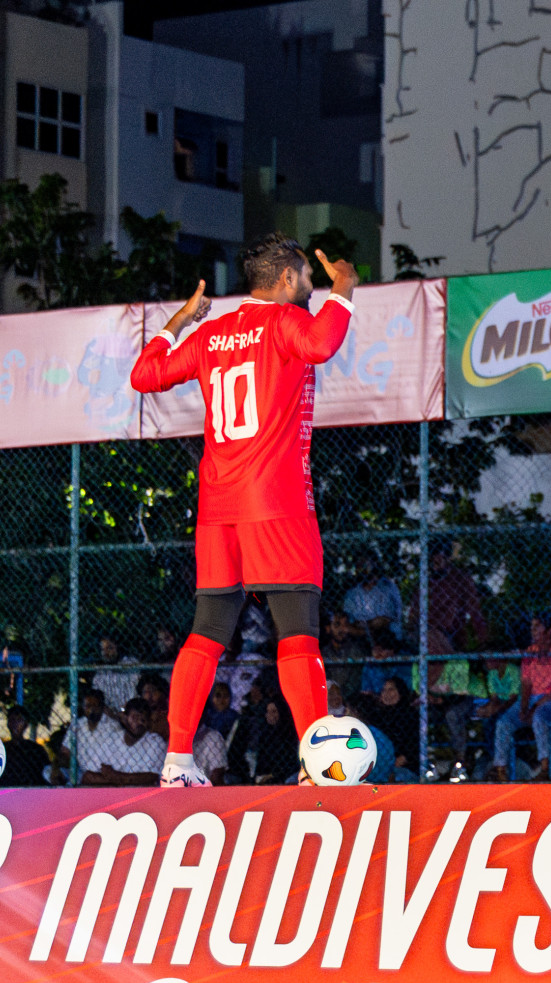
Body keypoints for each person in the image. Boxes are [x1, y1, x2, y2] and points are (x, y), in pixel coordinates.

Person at [129, 233, 358, 786]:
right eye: (306, 278)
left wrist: (180, 319)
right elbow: (324, 341)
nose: (310, 287)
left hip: (218, 507)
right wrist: (345, 288)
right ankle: (318, 767)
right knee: (298, 633)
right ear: (284, 280)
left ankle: (177, 763)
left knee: (207, 630)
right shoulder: (282, 322)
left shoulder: (212, 334)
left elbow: (144, 375)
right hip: (275, 502)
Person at [488, 618, 551, 781]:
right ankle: (500, 769)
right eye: (531, 627)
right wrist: (523, 707)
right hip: (533, 698)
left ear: (549, 631)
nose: (532, 630)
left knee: (539, 717)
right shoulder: (531, 651)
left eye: (537, 627)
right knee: (504, 722)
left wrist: (535, 706)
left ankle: (545, 767)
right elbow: (526, 683)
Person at [80, 697, 166, 786]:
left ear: (149, 721)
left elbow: (151, 778)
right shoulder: (111, 738)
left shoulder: (156, 742)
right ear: (124, 718)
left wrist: (115, 776)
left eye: (144, 719)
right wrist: (121, 779)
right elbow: (87, 777)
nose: (140, 722)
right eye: (135, 717)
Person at [344, 555, 404, 640]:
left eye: (365, 564)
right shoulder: (352, 594)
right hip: (361, 639)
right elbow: (349, 624)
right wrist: (367, 627)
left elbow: (383, 621)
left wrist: (363, 625)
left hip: (387, 638)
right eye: (359, 564)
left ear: (374, 564)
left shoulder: (387, 587)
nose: (361, 568)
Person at [0, 705, 51, 786]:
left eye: (19, 720)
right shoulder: (1, 749)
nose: (15, 724)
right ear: (8, 723)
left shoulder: (36, 750)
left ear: (26, 724)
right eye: (12, 720)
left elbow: (46, 774)